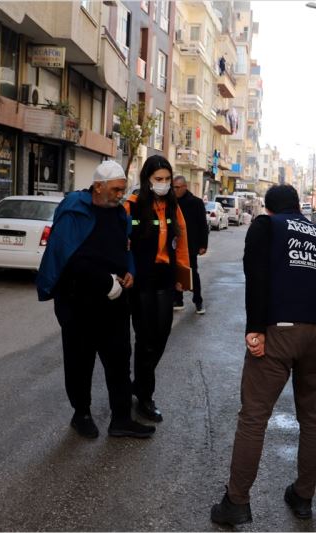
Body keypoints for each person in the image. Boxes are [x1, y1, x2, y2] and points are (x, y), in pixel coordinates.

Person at [210, 185, 316, 526]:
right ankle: (303, 497)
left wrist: (255, 327)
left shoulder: (266, 226)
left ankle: (236, 502)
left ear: (270, 209)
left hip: (281, 329)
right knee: (314, 417)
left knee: (255, 417)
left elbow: (255, 275)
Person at [36, 160, 155, 439]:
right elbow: (69, 258)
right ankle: (82, 414)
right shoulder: (74, 211)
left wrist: (129, 272)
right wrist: (104, 282)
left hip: (113, 303)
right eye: (115, 190)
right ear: (98, 186)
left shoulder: (118, 214)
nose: (119, 195)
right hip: (79, 303)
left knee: (119, 361)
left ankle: (122, 419)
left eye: (123, 190)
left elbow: (126, 248)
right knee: (80, 362)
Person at [124, 155, 190, 423]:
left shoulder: (173, 208)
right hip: (141, 278)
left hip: (165, 276)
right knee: (145, 337)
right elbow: (122, 239)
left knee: (161, 335)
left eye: (166, 179)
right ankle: (145, 396)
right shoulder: (133, 206)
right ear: (147, 180)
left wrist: (182, 277)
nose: (163, 184)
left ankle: (139, 383)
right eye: (158, 180)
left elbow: (182, 240)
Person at [172, 175, 209, 314]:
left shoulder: (196, 202)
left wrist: (203, 245)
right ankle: (178, 299)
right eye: (173, 187)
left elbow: (202, 225)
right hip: (174, 245)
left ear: (184, 187)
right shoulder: (171, 202)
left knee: (193, 273)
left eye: (177, 187)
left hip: (190, 245)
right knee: (175, 272)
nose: (174, 190)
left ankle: (198, 301)